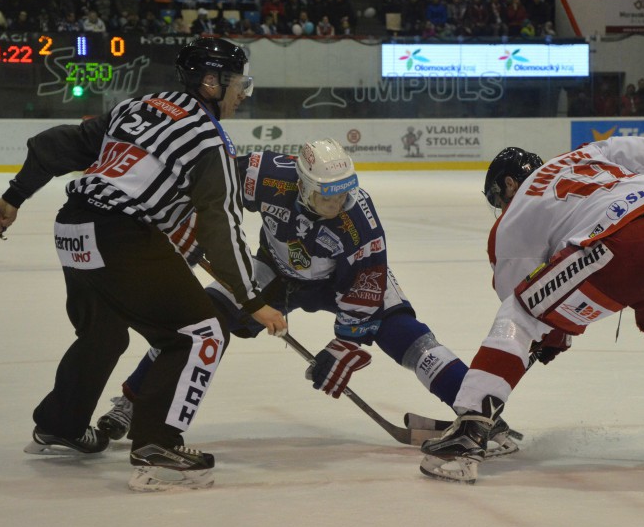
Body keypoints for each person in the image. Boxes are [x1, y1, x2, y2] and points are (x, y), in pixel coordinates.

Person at [0, 38, 287, 492]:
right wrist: (252, 300)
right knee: (200, 333)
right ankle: (157, 444)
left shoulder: (140, 105)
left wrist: (14, 196)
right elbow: (220, 229)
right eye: (239, 82)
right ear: (211, 82)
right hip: (119, 235)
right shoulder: (208, 139)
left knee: (103, 333)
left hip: (73, 228)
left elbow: (59, 144)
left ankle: (61, 423)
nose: (244, 91)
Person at [97, 138, 520, 460]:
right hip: (274, 270)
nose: (338, 203)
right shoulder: (265, 173)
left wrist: (344, 345)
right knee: (201, 321)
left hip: (346, 282)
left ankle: (481, 418)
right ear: (301, 184)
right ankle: (133, 403)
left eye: (344, 193)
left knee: (411, 340)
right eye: (327, 195)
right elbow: (209, 188)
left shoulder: (360, 224)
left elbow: (364, 289)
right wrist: (184, 223)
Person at [419, 140, 644, 483]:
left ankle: (469, 431)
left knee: (519, 313)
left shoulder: (512, 220)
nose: (501, 206)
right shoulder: (588, 153)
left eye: (499, 196)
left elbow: (523, 304)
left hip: (619, 247)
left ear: (511, 183)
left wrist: (553, 337)